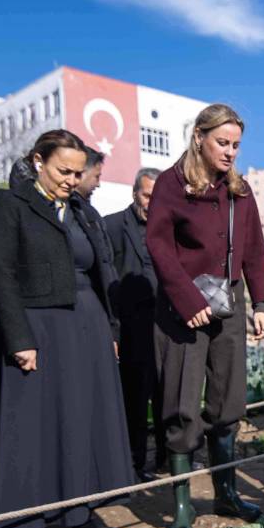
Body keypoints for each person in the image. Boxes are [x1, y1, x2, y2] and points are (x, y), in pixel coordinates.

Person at [0, 130, 132, 528]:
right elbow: (1, 274)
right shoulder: (11, 205)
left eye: (77, 171)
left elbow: (101, 271)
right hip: (37, 330)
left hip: (85, 327)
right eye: (63, 170)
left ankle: (78, 513)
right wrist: (19, 339)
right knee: (30, 430)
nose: (71, 179)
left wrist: (111, 329)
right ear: (38, 161)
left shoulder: (83, 210)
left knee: (80, 422)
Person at [145, 104, 264, 528]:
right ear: (198, 136)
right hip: (183, 307)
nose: (231, 152)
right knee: (181, 404)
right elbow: (158, 245)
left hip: (230, 305)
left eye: (236, 144)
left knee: (228, 402)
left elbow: (254, 249)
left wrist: (262, 305)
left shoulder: (240, 190)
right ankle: (181, 507)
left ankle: (227, 493)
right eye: (223, 142)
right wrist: (186, 298)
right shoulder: (170, 185)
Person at [105, 167, 165, 481]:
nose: (152, 203)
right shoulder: (112, 225)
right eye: (146, 195)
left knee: (168, 390)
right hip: (131, 325)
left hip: (164, 322)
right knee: (135, 396)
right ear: (134, 193)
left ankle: (168, 459)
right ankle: (135, 463)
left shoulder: (169, 229)